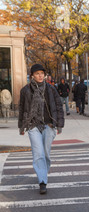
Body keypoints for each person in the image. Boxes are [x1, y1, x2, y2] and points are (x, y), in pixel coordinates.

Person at [18, 64, 64, 194]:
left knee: (46, 154)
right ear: (32, 75)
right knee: (38, 154)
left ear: (44, 75)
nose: (40, 76)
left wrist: (59, 124)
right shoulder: (25, 90)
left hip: (48, 125)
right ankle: (42, 181)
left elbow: (59, 107)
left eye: (42, 73)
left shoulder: (51, 89)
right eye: (37, 73)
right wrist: (21, 126)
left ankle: (42, 172)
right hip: (33, 125)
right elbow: (22, 108)